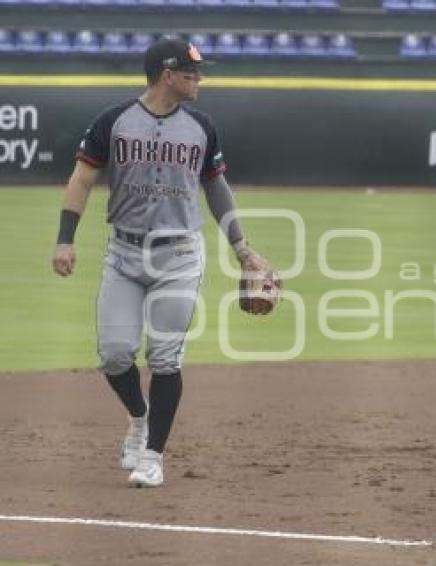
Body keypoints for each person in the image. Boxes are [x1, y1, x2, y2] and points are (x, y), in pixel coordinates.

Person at [51, 37, 272, 488]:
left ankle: (153, 457)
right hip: (123, 254)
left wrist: (243, 249)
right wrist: (64, 240)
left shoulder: (202, 126)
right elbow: (82, 178)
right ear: (167, 76)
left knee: (165, 358)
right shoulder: (113, 122)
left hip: (181, 255)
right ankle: (139, 418)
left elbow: (216, 189)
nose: (200, 79)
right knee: (114, 356)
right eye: (192, 73)